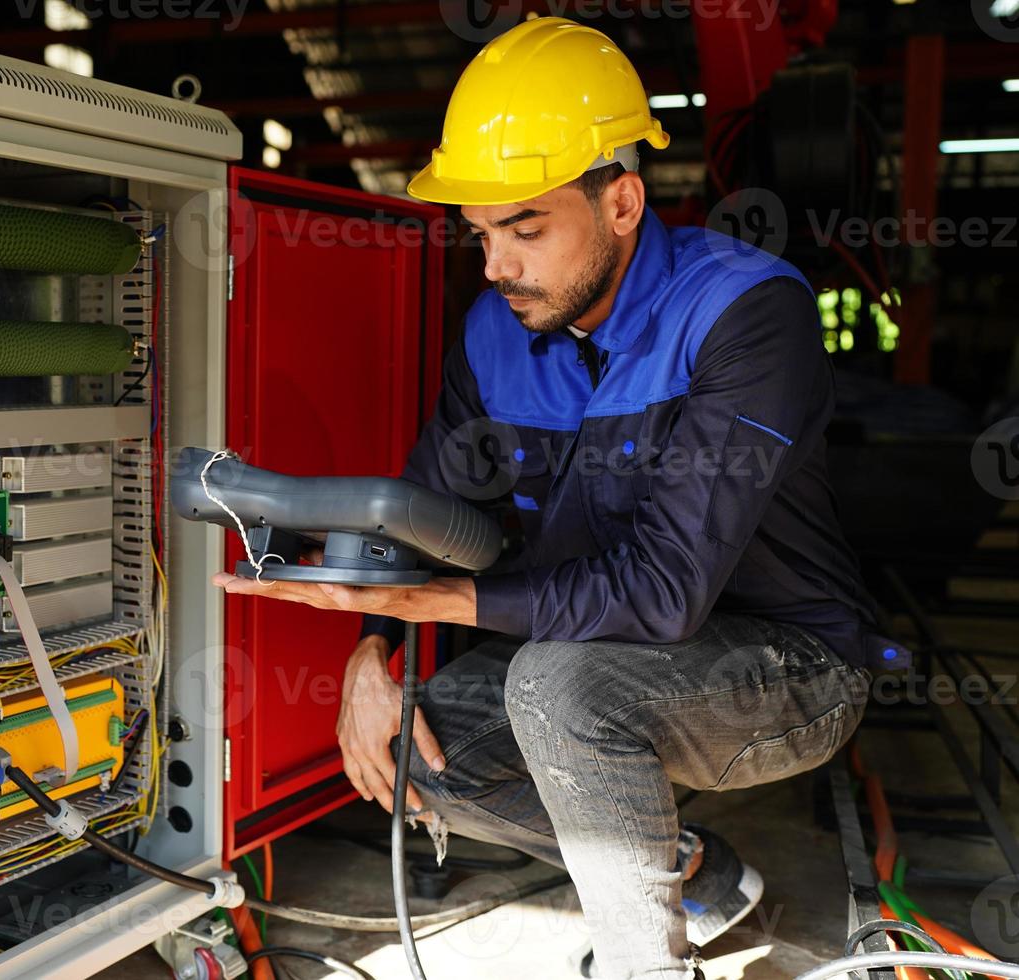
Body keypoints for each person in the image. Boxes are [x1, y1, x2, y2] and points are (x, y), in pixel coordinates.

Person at [211, 16, 900, 980]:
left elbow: (664, 592)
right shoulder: (497, 335)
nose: (495, 266)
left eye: (526, 229)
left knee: (556, 684)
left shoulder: (745, 315)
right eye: (483, 232)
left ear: (622, 201)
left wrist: (441, 606)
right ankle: (697, 879)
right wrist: (368, 653)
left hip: (790, 667)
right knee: (409, 753)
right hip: (602, 658)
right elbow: (417, 514)